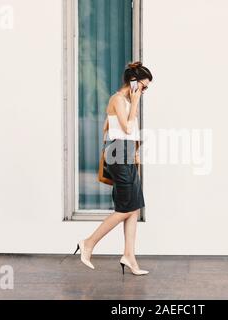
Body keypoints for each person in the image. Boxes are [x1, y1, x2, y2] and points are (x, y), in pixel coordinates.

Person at [74, 61, 153, 276]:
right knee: (125, 208)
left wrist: (134, 150)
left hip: (126, 152)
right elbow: (127, 127)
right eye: (143, 87)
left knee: (134, 207)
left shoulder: (126, 101)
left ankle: (129, 256)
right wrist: (135, 102)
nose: (144, 91)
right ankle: (88, 243)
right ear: (133, 82)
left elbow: (115, 128)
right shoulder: (118, 99)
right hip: (118, 154)